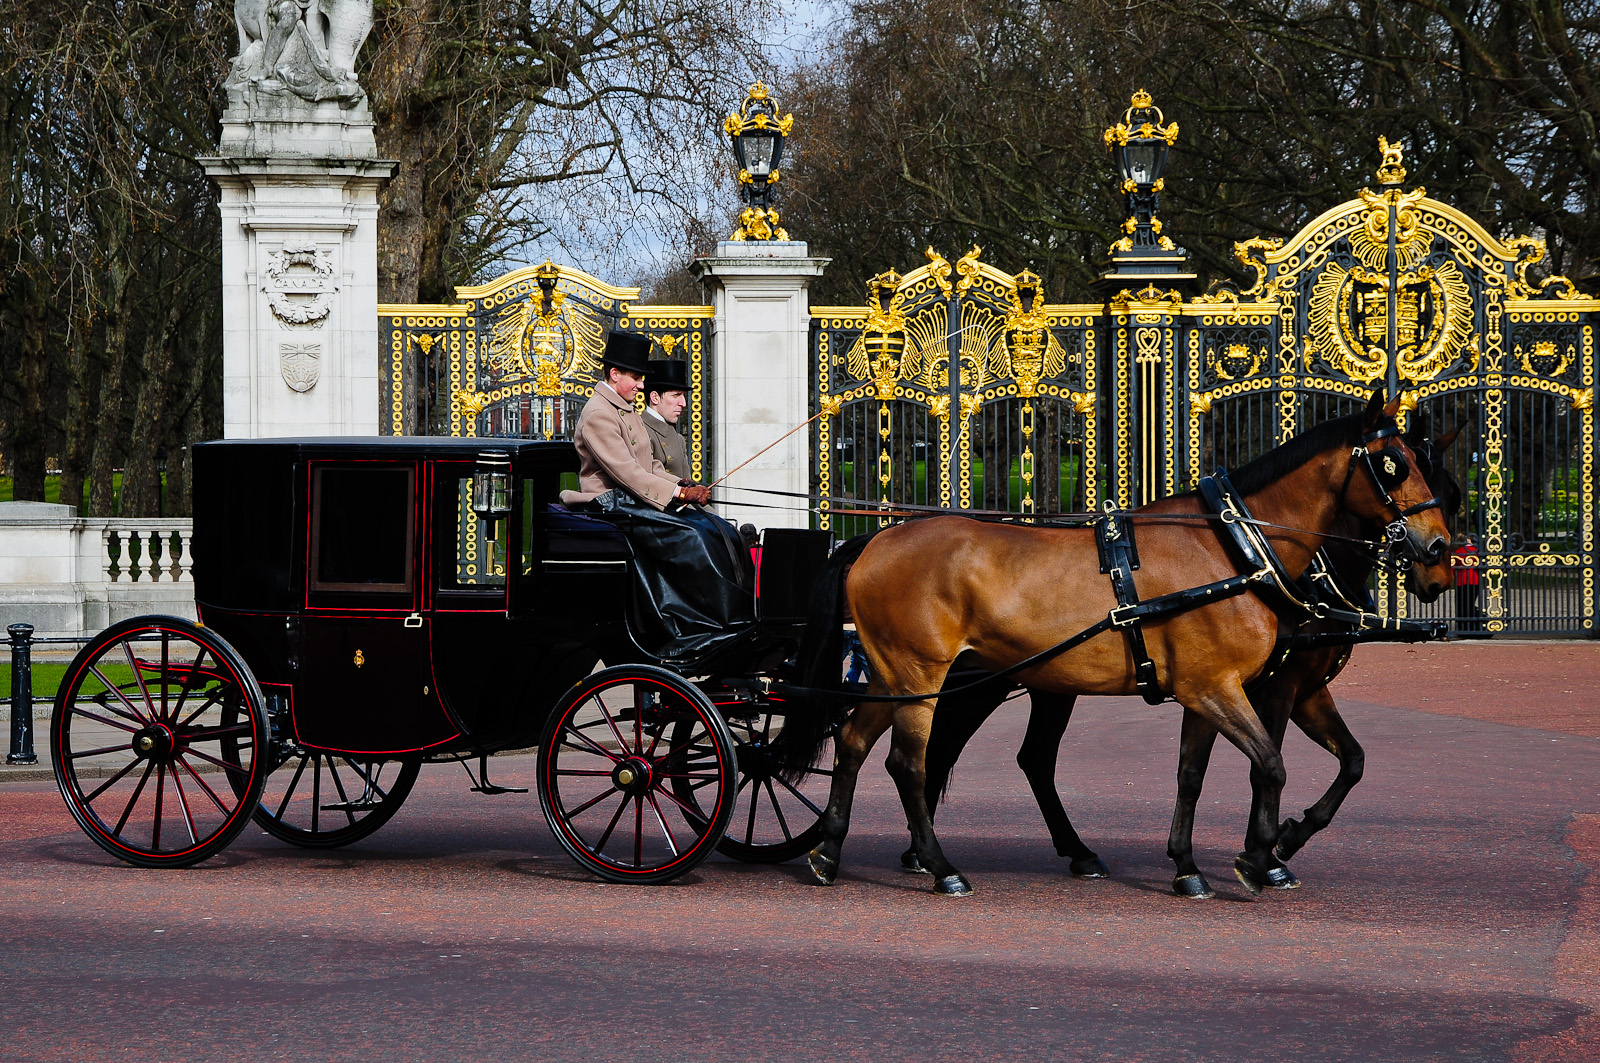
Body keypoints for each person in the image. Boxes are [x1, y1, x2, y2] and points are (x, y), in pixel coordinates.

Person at [560, 331, 753, 656]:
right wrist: (677, 494)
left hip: (631, 501)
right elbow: (628, 474)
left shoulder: (624, 409)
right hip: (609, 505)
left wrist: (683, 487)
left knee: (717, 529)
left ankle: (730, 616)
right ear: (614, 374)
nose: (640, 385)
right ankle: (699, 625)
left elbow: (649, 465)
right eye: (635, 377)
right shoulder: (598, 415)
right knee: (692, 536)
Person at [642, 359, 691, 481]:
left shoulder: (678, 439)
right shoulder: (638, 430)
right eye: (676, 395)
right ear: (655, 397)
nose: (683, 403)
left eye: (683, 396)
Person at [1452, 534, 1483, 636]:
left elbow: (1452, 568)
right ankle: (1472, 624)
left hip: (1462, 582)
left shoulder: (1457, 552)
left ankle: (1463, 626)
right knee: (1470, 603)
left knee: (1463, 604)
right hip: (1475, 581)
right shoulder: (1476, 551)